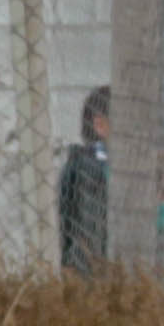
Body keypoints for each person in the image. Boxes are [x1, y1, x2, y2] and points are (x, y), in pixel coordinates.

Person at [56, 87, 113, 276]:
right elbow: (65, 215)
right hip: (88, 264)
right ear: (101, 125)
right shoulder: (81, 167)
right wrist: (67, 261)